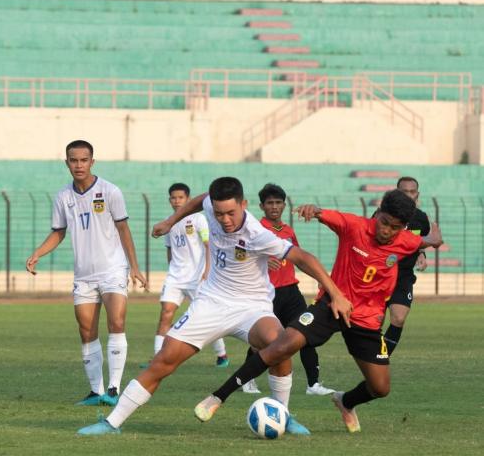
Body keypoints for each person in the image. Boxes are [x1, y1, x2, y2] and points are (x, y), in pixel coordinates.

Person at [77, 176, 345, 436]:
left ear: (244, 204)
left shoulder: (258, 234)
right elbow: (199, 200)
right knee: (164, 360)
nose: (224, 220)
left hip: (252, 307)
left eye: (230, 213)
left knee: (280, 345)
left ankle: (283, 416)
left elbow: (302, 257)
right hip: (211, 302)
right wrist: (171, 222)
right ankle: (112, 423)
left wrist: (335, 294)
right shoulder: (210, 205)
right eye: (219, 214)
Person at [194, 190, 442, 433]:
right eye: (384, 222)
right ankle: (217, 397)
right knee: (283, 345)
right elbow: (325, 214)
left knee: (380, 388)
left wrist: (434, 236)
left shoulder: (406, 241)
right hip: (331, 305)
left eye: (395, 227)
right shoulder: (354, 225)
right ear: (377, 214)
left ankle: (345, 402)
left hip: (366, 319)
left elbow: (427, 241)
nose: (386, 230)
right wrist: (313, 211)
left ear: (403, 227)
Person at [26, 140, 147, 407]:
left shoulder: (110, 191)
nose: (78, 165)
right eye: (73, 160)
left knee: (116, 322)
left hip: (113, 269)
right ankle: (96, 391)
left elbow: (124, 229)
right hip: (84, 275)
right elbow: (58, 232)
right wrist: (38, 253)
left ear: (92, 161)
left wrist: (134, 267)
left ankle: (114, 389)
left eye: (83, 160)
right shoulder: (63, 197)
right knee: (86, 330)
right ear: (66, 162)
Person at [241, 183, 336, 396]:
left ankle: (313, 384)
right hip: (269, 293)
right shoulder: (256, 230)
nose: (274, 207)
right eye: (269, 203)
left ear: (284, 205)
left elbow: (299, 257)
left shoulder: (288, 231)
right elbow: (243, 258)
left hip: (292, 292)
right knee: (263, 340)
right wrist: (264, 261)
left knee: (306, 332)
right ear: (262, 206)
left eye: (278, 203)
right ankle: (247, 380)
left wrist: (320, 278)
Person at [152, 183, 228, 368]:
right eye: (173, 198)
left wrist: (207, 271)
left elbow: (208, 245)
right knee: (166, 314)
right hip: (176, 277)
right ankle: (157, 358)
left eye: (180, 198)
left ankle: (221, 354)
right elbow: (170, 250)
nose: (177, 201)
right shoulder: (169, 222)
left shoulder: (198, 219)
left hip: (198, 277)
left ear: (188, 199)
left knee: (204, 317)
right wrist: (172, 269)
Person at [382, 177, 430, 355]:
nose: (409, 196)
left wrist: (421, 254)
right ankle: (373, 360)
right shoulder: (382, 215)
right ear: (396, 193)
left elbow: (419, 241)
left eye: (412, 192)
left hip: (403, 277)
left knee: (399, 317)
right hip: (380, 274)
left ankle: (382, 358)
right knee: (375, 321)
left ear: (418, 194)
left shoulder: (421, 219)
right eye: (404, 192)